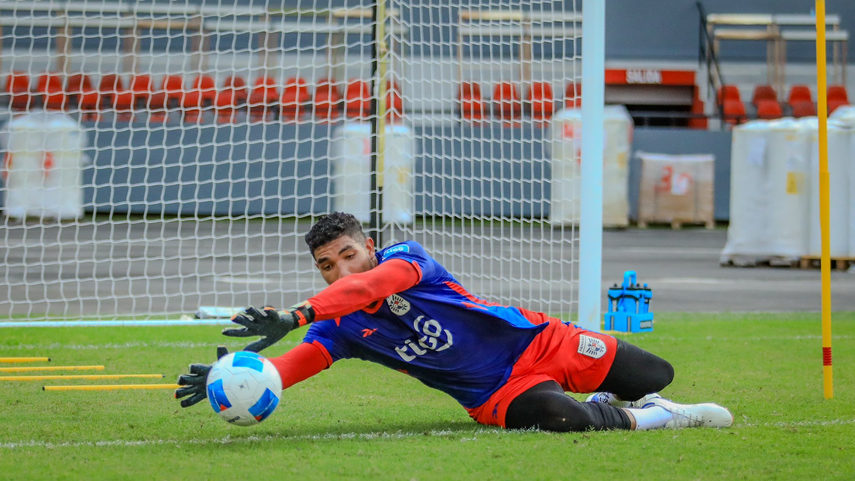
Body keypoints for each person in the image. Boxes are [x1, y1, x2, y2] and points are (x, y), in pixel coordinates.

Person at [175, 212, 733, 432]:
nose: (340, 270)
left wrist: (297, 313)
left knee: (656, 373)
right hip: (495, 393)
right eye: (326, 266)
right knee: (560, 417)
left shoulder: (407, 260)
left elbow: (366, 288)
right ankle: (658, 419)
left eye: (348, 254)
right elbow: (293, 365)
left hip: (540, 340)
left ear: (370, 246)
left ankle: (627, 396)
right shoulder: (338, 328)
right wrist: (244, 376)